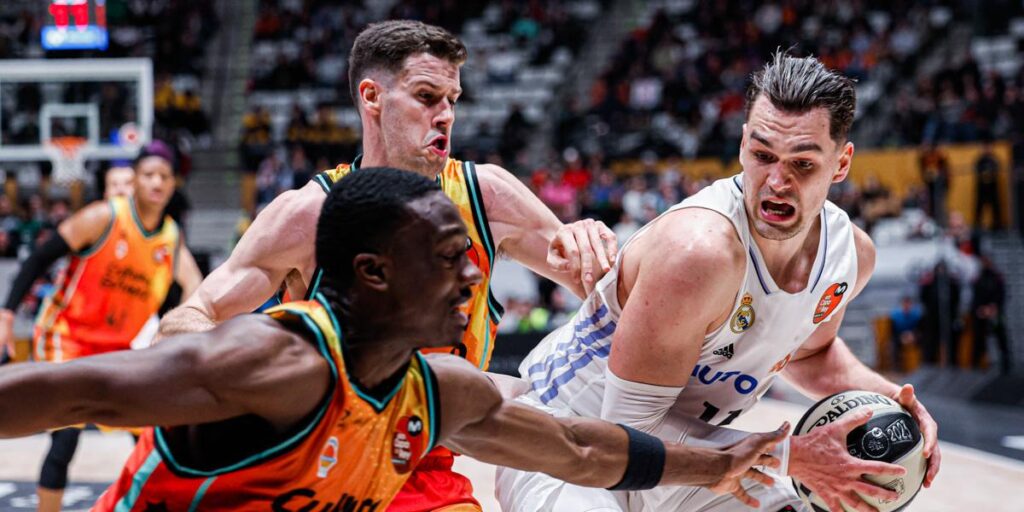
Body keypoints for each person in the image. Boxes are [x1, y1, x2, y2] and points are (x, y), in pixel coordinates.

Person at [0, 168, 789, 511]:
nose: (472, 279)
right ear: (373, 275)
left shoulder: (436, 391)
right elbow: (72, 392)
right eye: (448, 261)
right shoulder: (268, 362)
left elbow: (580, 452)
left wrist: (719, 466)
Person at [156, 20, 617, 512]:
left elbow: (610, 291)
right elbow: (187, 320)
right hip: (313, 470)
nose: (445, 116)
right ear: (372, 97)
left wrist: (591, 242)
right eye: (426, 97)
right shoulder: (307, 213)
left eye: (452, 101)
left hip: (425, 475)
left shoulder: (485, 194)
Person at [497, 52, 940, 512]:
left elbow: (811, 353)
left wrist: (889, 397)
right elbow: (628, 433)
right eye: (763, 155)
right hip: (571, 441)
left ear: (841, 163)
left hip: (692, 457)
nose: (777, 181)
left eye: (802, 165)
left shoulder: (850, 255)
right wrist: (792, 456)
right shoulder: (699, 252)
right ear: (743, 142)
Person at [0, 142, 204, 512]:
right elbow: (39, 258)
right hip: (67, 334)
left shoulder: (171, 239)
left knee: (149, 433)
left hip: (117, 345)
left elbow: (197, 289)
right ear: (136, 181)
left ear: (174, 184)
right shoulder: (103, 216)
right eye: (148, 175)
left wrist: (184, 328)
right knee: (67, 434)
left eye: (164, 176)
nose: (156, 182)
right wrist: (7, 312)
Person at [971, 256, 1010, 374]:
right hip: (981, 313)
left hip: (995, 312)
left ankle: (1006, 365)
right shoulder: (978, 278)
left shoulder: (997, 278)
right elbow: (975, 297)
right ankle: (977, 365)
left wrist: (993, 307)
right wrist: (981, 309)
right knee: (979, 340)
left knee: (1001, 339)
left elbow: (1001, 294)